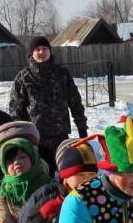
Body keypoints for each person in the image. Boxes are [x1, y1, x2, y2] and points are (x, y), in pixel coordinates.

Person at [9, 35, 88, 169]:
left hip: (60, 136)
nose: (41, 52)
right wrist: (21, 137)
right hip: (35, 138)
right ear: (31, 53)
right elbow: (16, 110)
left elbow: (75, 102)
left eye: (45, 48)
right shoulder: (23, 77)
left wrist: (82, 129)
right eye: (38, 49)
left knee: (65, 173)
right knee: (41, 175)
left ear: (50, 51)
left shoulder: (62, 73)